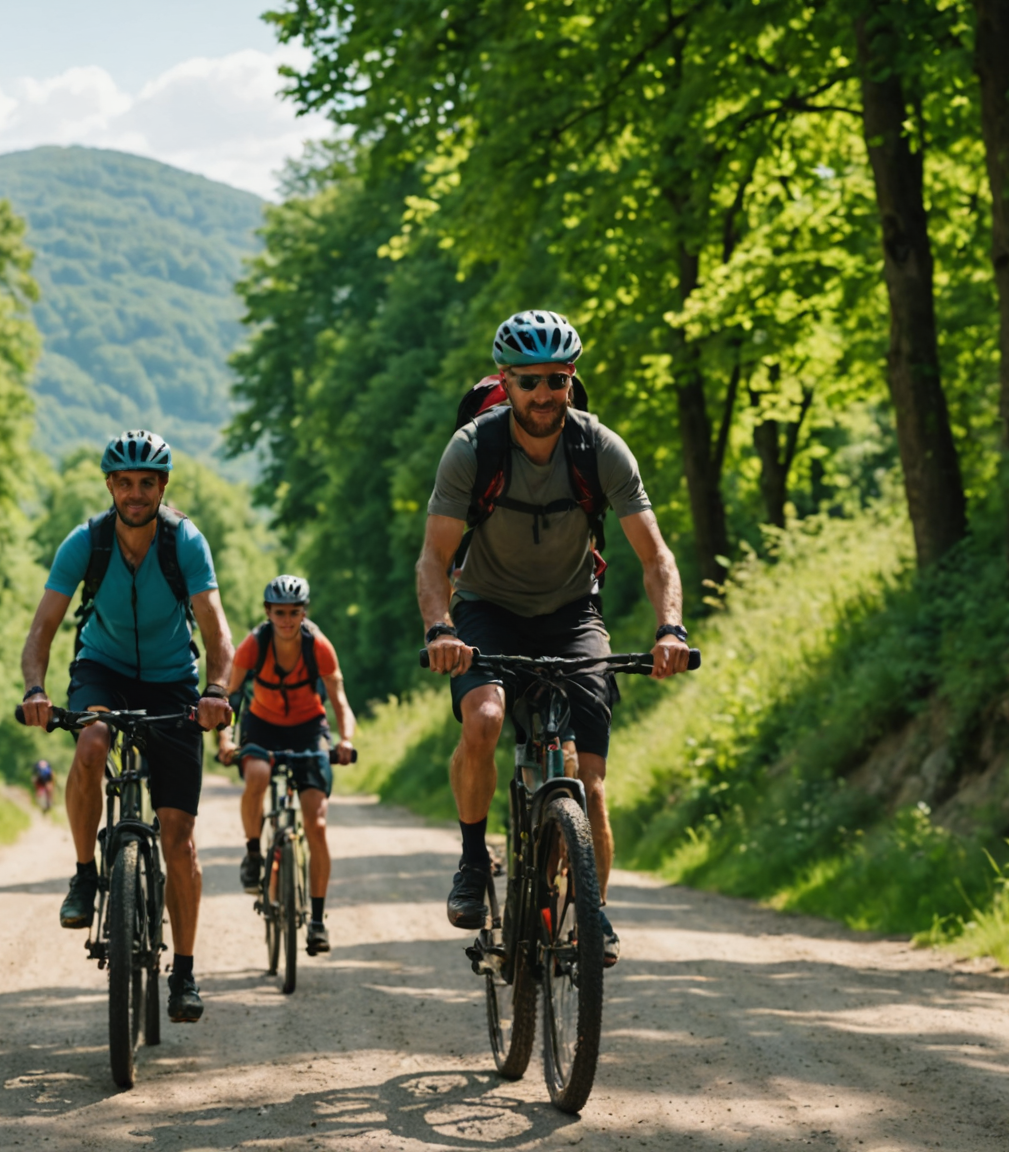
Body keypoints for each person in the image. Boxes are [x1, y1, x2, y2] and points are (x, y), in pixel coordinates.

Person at [417, 310, 692, 967]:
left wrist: (670, 628)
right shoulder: (473, 450)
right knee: (483, 719)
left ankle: (591, 909)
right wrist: (440, 627)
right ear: (506, 383)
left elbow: (656, 557)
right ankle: (472, 861)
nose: (544, 395)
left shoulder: (598, 448)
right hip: (486, 607)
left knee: (589, 782)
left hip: (574, 614)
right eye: (530, 382)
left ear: (572, 381)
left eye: (557, 380)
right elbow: (433, 559)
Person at [17, 430, 236, 1023]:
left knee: (179, 836)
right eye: (124, 482)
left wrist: (217, 692)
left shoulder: (184, 540)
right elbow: (42, 631)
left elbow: (217, 631)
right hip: (102, 670)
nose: (135, 493)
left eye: (147, 482)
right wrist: (36, 690)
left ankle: (185, 972)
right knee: (91, 741)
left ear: (162, 486)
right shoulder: (85, 544)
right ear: (110, 485)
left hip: (171, 680)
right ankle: (86, 875)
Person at [214, 575, 358, 955]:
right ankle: (253, 853)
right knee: (258, 775)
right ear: (268, 612)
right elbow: (229, 699)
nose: (287, 620)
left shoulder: (319, 647)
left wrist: (345, 741)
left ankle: (316, 920)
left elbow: (340, 702)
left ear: (304, 612)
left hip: (309, 730)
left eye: (295, 612)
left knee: (317, 822)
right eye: (280, 612)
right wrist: (225, 739)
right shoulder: (253, 645)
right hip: (261, 725)